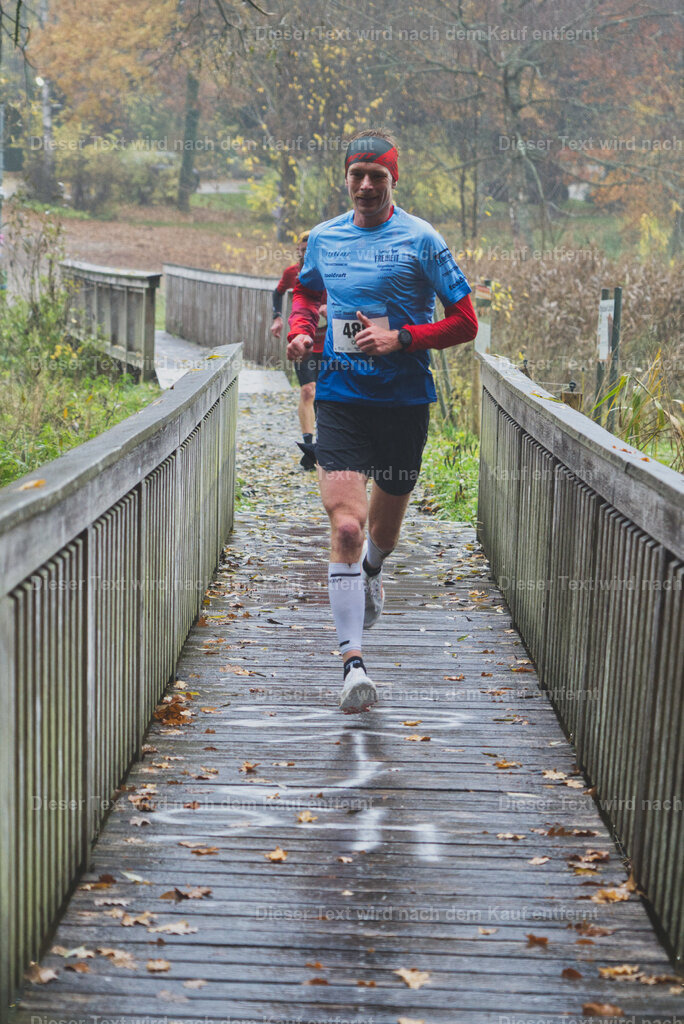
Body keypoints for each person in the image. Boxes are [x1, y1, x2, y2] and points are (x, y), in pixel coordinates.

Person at [287, 128, 478, 713]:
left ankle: (372, 570)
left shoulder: (422, 240)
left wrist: (404, 338)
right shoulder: (325, 237)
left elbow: (465, 321)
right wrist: (301, 330)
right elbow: (305, 293)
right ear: (346, 179)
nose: (366, 185)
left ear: (394, 179)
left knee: (381, 536)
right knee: (347, 527)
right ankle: (353, 665)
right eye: (358, 175)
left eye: (378, 176)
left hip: (402, 402)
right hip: (341, 398)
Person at [271, 231, 327, 469]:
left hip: (329, 343)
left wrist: (331, 310)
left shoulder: (330, 272)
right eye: (302, 250)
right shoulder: (292, 273)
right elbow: (278, 292)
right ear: (298, 250)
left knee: (324, 395)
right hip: (303, 343)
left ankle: (322, 446)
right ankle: (308, 444)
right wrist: (277, 317)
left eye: (309, 251)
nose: (305, 255)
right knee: (307, 390)